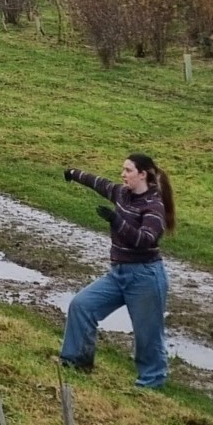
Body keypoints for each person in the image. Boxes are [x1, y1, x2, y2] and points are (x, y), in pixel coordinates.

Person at [58, 154, 175, 387]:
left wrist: (116, 221)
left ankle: (151, 383)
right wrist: (73, 173)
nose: (123, 174)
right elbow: (98, 183)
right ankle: (76, 361)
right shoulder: (122, 193)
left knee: (147, 336)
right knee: (82, 305)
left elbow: (145, 240)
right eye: (123, 169)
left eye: (128, 170)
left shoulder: (154, 207)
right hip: (119, 273)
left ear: (143, 174)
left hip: (145, 277)